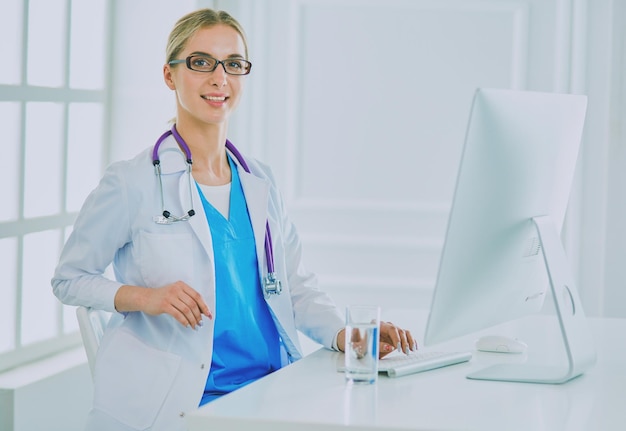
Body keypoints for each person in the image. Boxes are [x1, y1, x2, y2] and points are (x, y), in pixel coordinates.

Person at [52, 8, 417, 431]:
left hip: (271, 389)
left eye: (233, 64)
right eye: (201, 62)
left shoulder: (260, 180)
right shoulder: (131, 182)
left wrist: (351, 337)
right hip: (187, 399)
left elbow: (295, 287)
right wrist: (144, 297)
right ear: (170, 76)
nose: (219, 78)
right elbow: (68, 278)